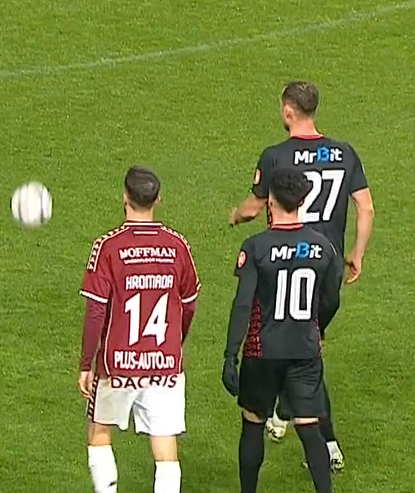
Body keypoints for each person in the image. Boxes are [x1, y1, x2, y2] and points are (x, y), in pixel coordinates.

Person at [229, 80, 375, 468]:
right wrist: (356, 254)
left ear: (288, 111)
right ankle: (283, 413)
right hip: (326, 270)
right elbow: (366, 207)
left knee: (301, 352)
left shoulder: (276, 156)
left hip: (284, 268)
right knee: (304, 347)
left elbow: (255, 206)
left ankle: (327, 443)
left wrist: (235, 215)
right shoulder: (344, 152)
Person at [78, 167, 200, 493]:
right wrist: (176, 343)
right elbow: (189, 304)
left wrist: (86, 363)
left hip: (118, 362)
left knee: (99, 433)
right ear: (158, 199)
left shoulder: (108, 247)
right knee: (165, 449)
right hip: (164, 362)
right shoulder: (178, 246)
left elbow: (96, 310)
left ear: (124, 197)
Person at [223, 167, 344, 493]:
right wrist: (316, 328)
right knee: (309, 428)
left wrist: (230, 355)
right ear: (302, 201)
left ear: (271, 201)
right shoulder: (322, 247)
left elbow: (243, 304)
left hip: (262, 352)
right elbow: (331, 300)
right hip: (304, 350)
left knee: (253, 424)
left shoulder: (257, 246)